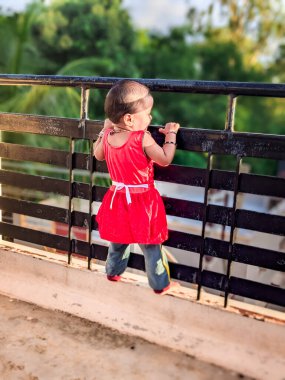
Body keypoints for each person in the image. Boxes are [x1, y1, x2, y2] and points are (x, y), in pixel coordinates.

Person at [94, 79, 180, 294]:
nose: (150, 118)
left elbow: (97, 154)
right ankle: (160, 284)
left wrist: (103, 131)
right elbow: (164, 159)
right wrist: (171, 135)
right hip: (142, 200)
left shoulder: (108, 136)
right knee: (151, 243)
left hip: (117, 198)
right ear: (130, 119)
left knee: (118, 238)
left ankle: (113, 272)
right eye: (148, 113)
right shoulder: (142, 138)